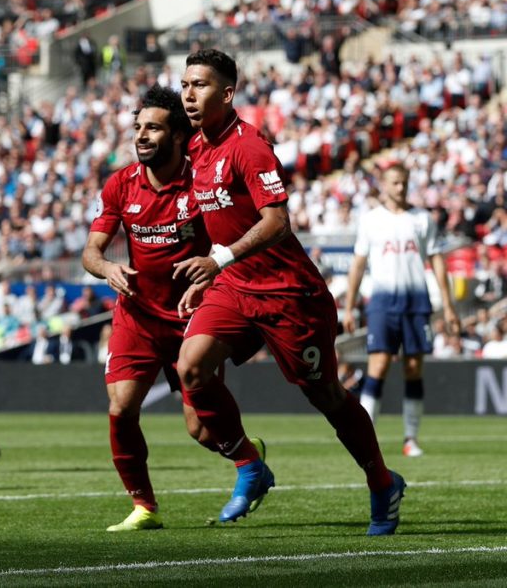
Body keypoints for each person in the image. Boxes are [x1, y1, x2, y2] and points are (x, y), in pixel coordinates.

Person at [174, 49, 405, 536]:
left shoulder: (250, 147)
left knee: (326, 397)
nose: (189, 94)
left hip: (288, 295)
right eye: (185, 84)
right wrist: (209, 275)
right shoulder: (195, 147)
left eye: (200, 85)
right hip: (234, 287)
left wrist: (217, 259)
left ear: (228, 93)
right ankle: (249, 465)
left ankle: (382, 482)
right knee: (190, 366)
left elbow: (277, 221)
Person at [82, 84, 263, 531]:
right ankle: (144, 506)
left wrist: (214, 279)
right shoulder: (121, 184)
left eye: (153, 128)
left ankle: (249, 456)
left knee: (200, 431)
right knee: (121, 407)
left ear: (179, 136)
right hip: (138, 316)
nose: (141, 136)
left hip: (191, 318)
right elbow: (91, 251)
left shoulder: (203, 182)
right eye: (137, 127)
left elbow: (233, 238)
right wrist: (107, 268)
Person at [343, 164, 460, 457]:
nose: (400, 188)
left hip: (416, 303)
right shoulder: (370, 220)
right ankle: (366, 440)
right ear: (383, 185)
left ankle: (411, 438)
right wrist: (348, 306)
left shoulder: (422, 219)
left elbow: (437, 261)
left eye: (404, 183)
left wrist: (448, 306)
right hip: (382, 304)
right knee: (378, 366)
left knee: (413, 369)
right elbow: (358, 264)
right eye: (395, 183)